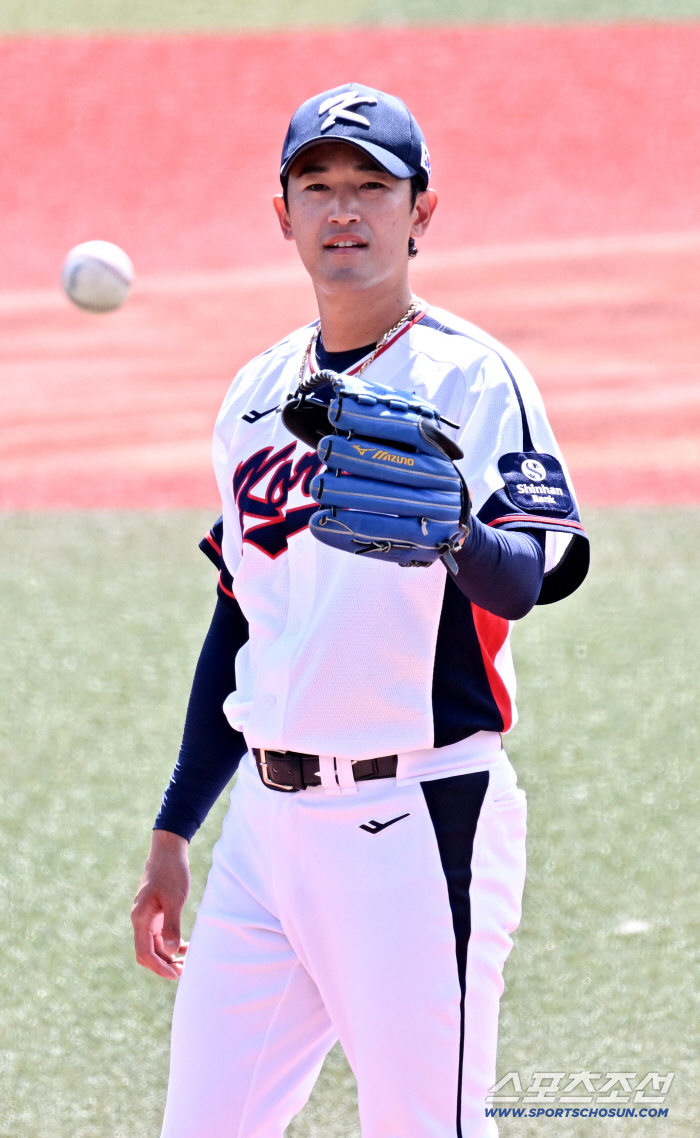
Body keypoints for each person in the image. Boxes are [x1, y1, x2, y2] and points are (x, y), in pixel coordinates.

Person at [131, 83, 589, 1138]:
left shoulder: (474, 377)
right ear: (282, 213)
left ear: (420, 210)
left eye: (372, 187)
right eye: (319, 186)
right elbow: (241, 620)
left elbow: (529, 579)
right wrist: (175, 826)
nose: (344, 209)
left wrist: (457, 533)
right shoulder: (254, 394)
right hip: (265, 833)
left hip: (417, 818)